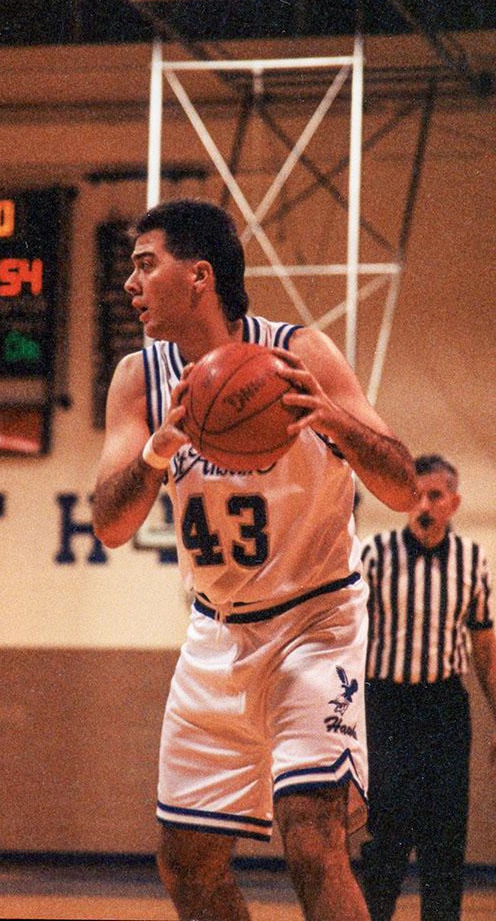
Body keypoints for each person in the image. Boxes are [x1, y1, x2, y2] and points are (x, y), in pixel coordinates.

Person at [92, 198, 418, 921]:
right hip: (216, 632)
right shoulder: (136, 380)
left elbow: (401, 486)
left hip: (316, 623)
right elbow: (110, 525)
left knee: (311, 839)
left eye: (146, 265)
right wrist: (157, 451)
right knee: (187, 864)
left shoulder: (301, 354)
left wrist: (332, 419)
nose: (130, 284)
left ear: (199, 275)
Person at [360, 454, 496, 921]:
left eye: (434, 496)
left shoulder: (473, 561)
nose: (423, 505)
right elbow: (347, 641)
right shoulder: (374, 555)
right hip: (386, 707)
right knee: (386, 838)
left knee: (445, 841)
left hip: (443, 708)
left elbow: (484, 647)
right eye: (415, 494)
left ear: (453, 502)